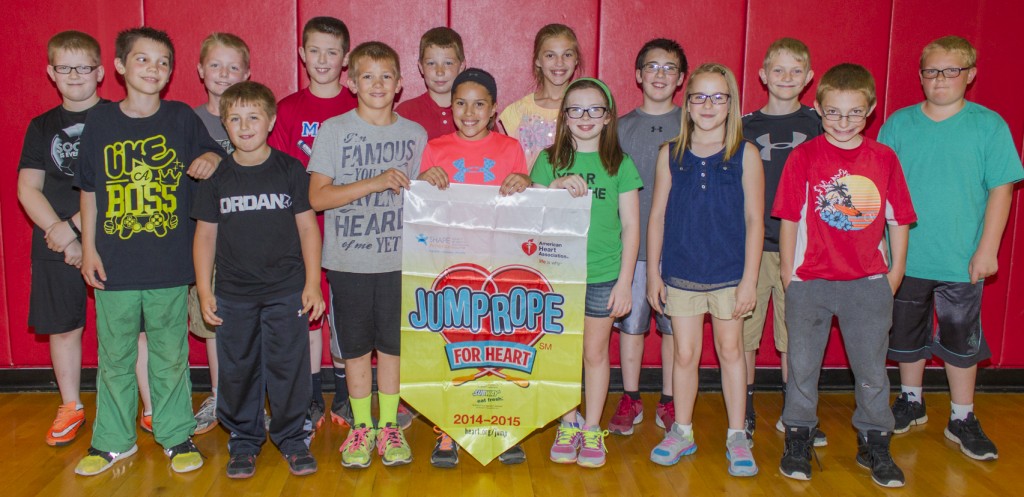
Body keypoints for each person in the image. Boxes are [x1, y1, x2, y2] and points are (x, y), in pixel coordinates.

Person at [73, 26, 225, 476]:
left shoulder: (180, 117)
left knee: (170, 356)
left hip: (168, 265)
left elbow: (218, 156)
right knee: (115, 357)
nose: (153, 69)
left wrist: (212, 158)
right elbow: (89, 192)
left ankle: (176, 435)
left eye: (162, 62)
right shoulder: (100, 121)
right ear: (119, 66)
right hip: (114, 264)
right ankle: (113, 441)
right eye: (142, 60)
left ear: (171, 72)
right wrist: (88, 249)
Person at [882, 35, 1023, 461]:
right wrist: (881, 250)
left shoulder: (988, 125)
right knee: (906, 333)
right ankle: (911, 399)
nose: (940, 79)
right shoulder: (899, 124)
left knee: (962, 339)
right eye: (931, 71)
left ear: (970, 75)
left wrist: (988, 249)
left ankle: (962, 416)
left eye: (951, 71)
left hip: (961, 258)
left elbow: (1002, 189)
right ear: (920, 76)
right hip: (906, 256)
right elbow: (879, 189)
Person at [774, 63, 915, 488]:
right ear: (817, 108)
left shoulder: (884, 158)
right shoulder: (804, 156)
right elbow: (789, 220)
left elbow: (899, 220)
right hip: (811, 282)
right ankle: (798, 435)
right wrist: (788, 274)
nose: (843, 122)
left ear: (870, 110)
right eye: (833, 112)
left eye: (854, 112)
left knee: (872, 368)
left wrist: (895, 273)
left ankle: (875, 440)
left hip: (867, 284)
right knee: (802, 365)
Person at [193, 81, 324, 478]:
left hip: (286, 291)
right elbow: (205, 236)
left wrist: (313, 283)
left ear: (270, 121)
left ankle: (291, 438)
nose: (244, 126)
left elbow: (307, 230)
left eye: (253, 117)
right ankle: (245, 440)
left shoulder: (289, 170)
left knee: (289, 367)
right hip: (234, 294)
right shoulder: (218, 176)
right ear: (224, 124)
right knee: (238, 368)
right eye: (235, 119)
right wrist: (203, 289)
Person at [308, 41, 427, 468]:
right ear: (352, 81)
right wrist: (373, 183)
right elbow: (317, 197)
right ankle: (361, 427)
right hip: (349, 261)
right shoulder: (335, 130)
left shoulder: (416, 134)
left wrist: (433, 179)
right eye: (368, 76)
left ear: (399, 84)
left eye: (386, 76)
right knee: (356, 349)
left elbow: (426, 198)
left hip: (400, 262)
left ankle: (390, 426)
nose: (377, 83)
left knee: (393, 349)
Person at [645, 63, 763, 477]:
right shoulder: (670, 154)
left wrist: (750, 279)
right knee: (685, 354)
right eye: (699, 96)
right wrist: (655, 275)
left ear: (731, 104)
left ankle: (736, 436)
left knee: (731, 352)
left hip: (730, 275)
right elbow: (656, 216)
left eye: (718, 97)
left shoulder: (745, 154)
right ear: (687, 103)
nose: (708, 105)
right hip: (680, 273)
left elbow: (754, 221)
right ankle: (682, 430)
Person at [417, 68, 532, 468]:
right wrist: (423, 179)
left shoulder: (511, 148)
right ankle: (448, 428)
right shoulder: (435, 148)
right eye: (460, 103)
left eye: (479, 103)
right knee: (453, 349)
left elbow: (527, 205)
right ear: (451, 107)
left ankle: (500, 426)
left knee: (498, 349)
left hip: (498, 267)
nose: (469, 112)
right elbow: (421, 207)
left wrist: (524, 182)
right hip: (451, 268)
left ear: (494, 108)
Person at [532, 77, 641, 468]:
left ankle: (592, 427)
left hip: (602, 274)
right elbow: (529, 215)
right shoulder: (548, 161)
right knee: (561, 355)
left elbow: (631, 226)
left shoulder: (620, 164)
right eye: (575, 109)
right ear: (563, 117)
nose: (585, 117)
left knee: (594, 354)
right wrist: (554, 187)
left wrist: (626, 281)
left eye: (594, 109)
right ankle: (568, 421)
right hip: (557, 276)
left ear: (608, 117)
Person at [268, 16, 357, 432]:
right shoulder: (287, 109)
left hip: (348, 226)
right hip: (298, 227)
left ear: (346, 58)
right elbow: (278, 171)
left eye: (332, 51)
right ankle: (308, 394)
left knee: (343, 313)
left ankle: (343, 389)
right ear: (301, 54)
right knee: (308, 310)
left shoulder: (358, 106)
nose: (323, 59)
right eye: (315, 50)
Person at [17, 30, 106, 447]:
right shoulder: (42, 126)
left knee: (132, 327)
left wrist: (75, 229)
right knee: (63, 328)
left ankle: (147, 402)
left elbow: (117, 183)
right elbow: (27, 189)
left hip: (113, 236)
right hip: (54, 242)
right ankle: (71, 404)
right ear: (51, 72)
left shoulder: (118, 118)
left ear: (101, 72)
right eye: (65, 68)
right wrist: (62, 234)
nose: (75, 75)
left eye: (84, 67)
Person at [740, 37, 826, 447]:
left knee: (797, 337)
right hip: (752, 249)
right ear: (763, 75)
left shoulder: (819, 124)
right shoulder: (743, 127)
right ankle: (745, 407)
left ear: (809, 78)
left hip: (803, 249)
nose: (787, 78)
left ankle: (798, 410)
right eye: (778, 70)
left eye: (796, 71)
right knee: (744, 336)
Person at [609, 38, 686, 436]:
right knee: (632, 325)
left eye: (669, 68)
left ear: (681, 78)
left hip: (679, 249)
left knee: (674, 328)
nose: (660, 75)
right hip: (632, 249)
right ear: (638, 75)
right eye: (652, 67)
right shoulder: (620, 127)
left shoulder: (693, 123)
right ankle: (631, 395)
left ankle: (671, 401)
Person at [188, 31, 252, 436]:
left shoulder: (256, 114)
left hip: (253, 242)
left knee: (256, 325)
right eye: (216, 65)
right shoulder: (187, 121)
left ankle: (252, 398)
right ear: (200, 70)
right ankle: (219, 395)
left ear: (247, 72)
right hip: (208, 241)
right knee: (215, 323)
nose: (224, 73)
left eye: (233, 67)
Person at [499, 23, 580, 169]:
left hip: (572, 191)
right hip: (528, 191)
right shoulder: (517, 112)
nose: (559, 63)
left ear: (576, 59)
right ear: (538, 60)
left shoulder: (586, 110)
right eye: (550, 55)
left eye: (567, 55)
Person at [395, 27, 466, 140]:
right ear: (421, 67)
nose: (440, 71)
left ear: (461, 66)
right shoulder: (405, 113)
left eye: (448, 63)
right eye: (431, 63)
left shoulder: (475, 113)